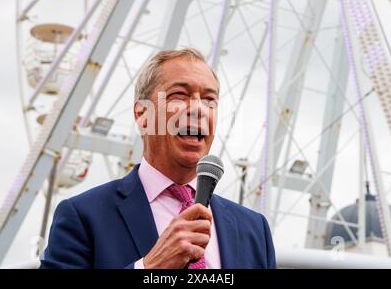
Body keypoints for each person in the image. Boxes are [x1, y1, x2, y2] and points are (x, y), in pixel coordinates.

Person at [40, 48, 276, 269]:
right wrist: (150, 267)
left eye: (208, 99)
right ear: (142, 114)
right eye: (179, 96)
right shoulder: (83, 217)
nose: (198, 109)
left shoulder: (254, 230)